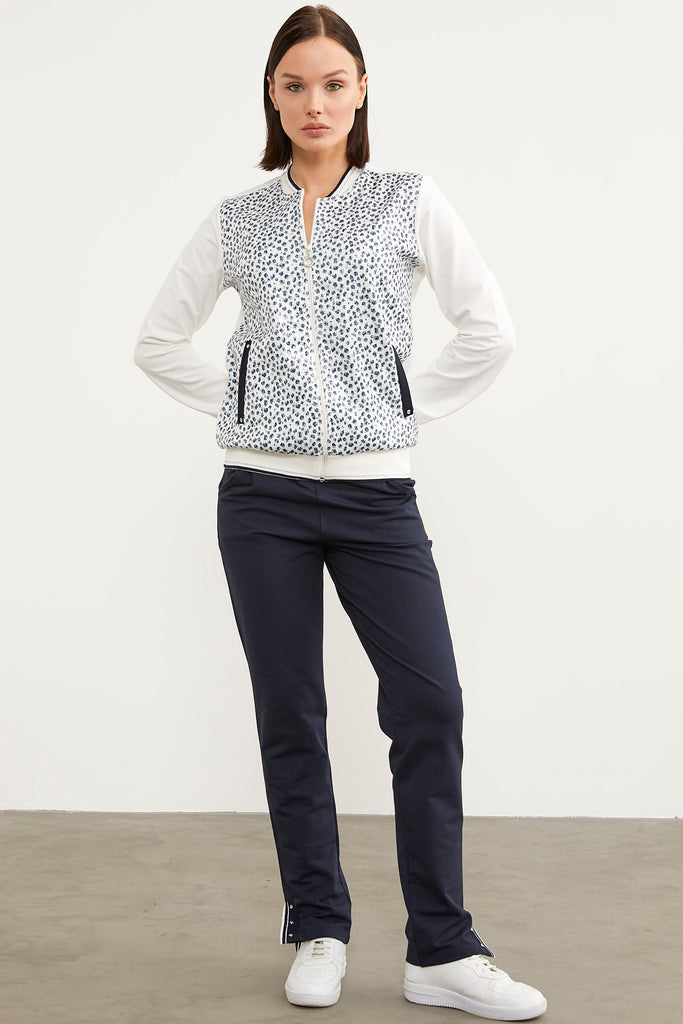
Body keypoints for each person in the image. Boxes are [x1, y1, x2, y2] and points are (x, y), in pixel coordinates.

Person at [133, 5, 547, 1019]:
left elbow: (488, 329)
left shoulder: (407, 200)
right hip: (260, 500)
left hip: (376, 494)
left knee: (429, 704)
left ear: (361, 90)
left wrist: (397, 407)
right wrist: (248, 406)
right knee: (292, 716)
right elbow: (158, 340)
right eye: (293, 85)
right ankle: (318, 927)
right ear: (271, 97)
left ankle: (441, 949)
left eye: (331, 82)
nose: (313, 103)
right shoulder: (238, 218)